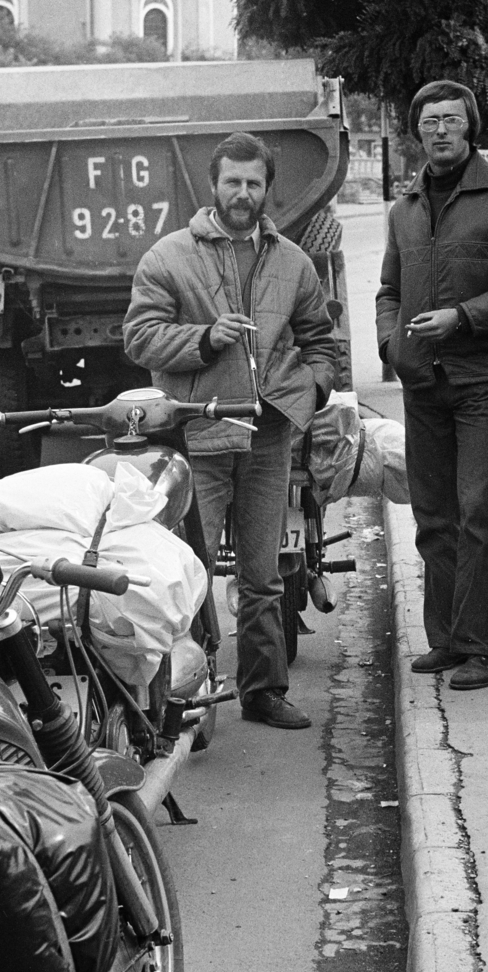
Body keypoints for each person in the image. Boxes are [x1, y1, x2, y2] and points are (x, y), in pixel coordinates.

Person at [124, 131, 335, 729]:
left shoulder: (293, 261)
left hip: (267, 435)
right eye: (232, 182)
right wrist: (204, 338)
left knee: (263, 576)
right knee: (186, 576)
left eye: (254, 183)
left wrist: (312, 389)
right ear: (213, 186)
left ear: (268, 190)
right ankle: (182, 698)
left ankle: (263, 692)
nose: (243, 193)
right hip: (200, 434)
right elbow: (139, 337)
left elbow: (322, 339)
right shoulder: (168, 256)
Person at [377, 80, 488, 689]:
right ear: (417, 132)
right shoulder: (404, 210)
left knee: (477, 507)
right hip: (421, 381)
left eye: (452, 120)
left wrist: (463, 316)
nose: (441, 131)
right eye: (430, 122)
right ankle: (449, 639)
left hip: (480, 379)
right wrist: (391, 345)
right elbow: (389, 291)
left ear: (470, 128)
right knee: (432, 512)